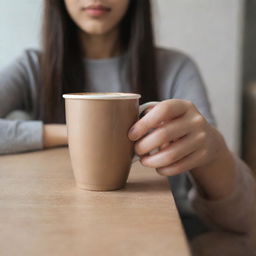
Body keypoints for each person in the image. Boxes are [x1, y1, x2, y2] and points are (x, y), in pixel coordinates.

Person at [0, 0, 255, 255]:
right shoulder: (32, 67)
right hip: (59, 227)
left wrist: (213, 151)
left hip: (162, 234)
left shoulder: (175, 68)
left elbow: (245, 221)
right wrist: (76, 133)